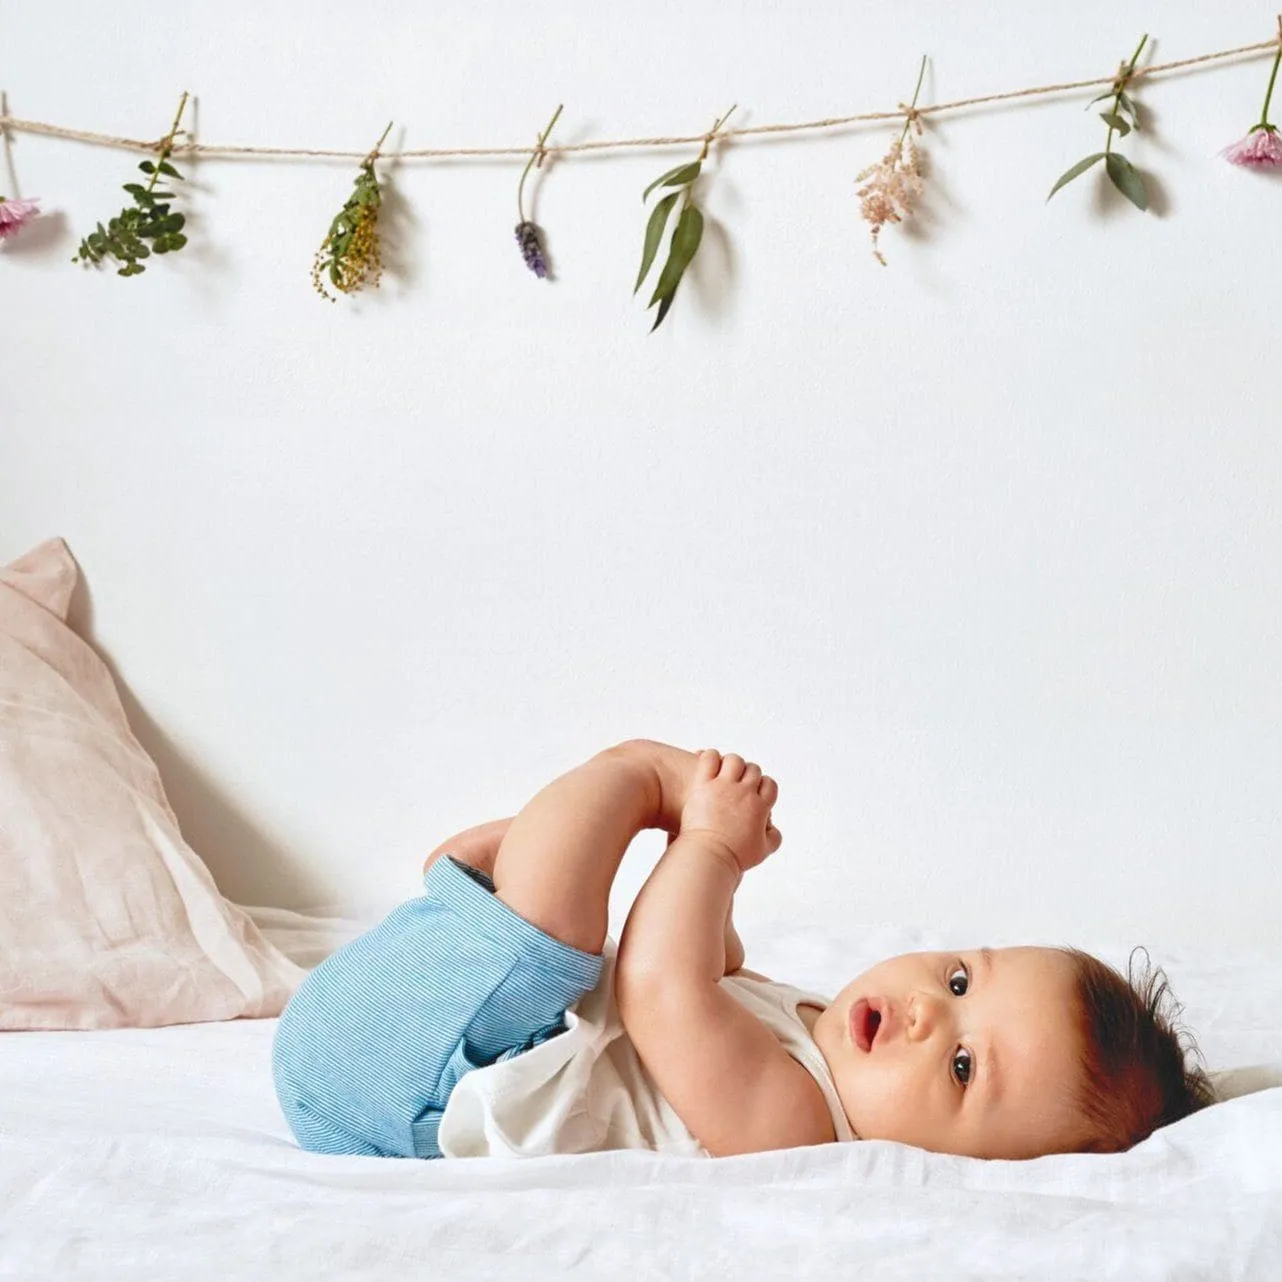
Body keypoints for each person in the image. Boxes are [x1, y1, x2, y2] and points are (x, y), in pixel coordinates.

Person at [271, 739, 1214, 1161]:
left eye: (965, 1067)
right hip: (424, 1028)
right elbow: (718, 978)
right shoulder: (823, 1039)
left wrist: (707, 843)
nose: (930, 1011)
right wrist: (717, 892)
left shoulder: (799, 1127)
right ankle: (494, 894)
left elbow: (660, 990)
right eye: (962, 979)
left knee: (563, 928)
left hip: (414, 1090)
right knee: (564, 922)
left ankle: (616, 792)